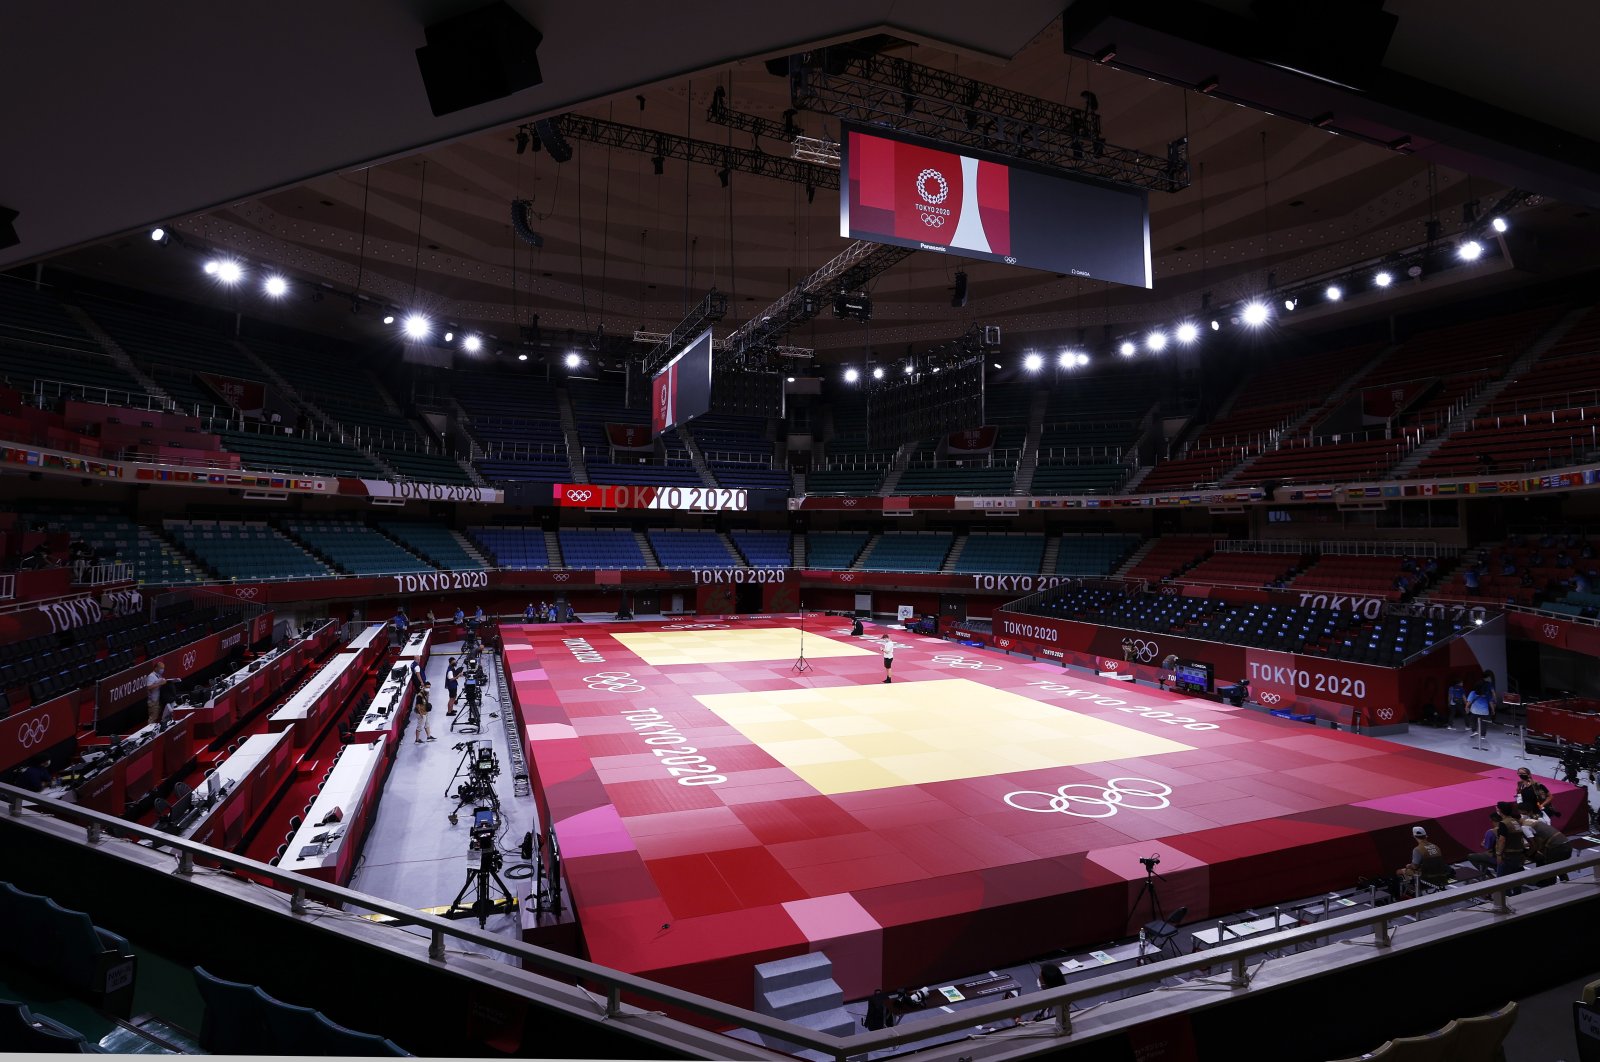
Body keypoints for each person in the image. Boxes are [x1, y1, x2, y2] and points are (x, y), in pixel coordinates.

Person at [1398, 826, 1451, 892]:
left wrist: (1409, 865)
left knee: (1400, 871)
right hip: (1440, 874)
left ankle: (1412, 892)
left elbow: (1415, 866)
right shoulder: (1436, 846)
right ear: (1426, 836)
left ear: (1414, 836)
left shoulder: (1417, 849)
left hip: (1427, 877)